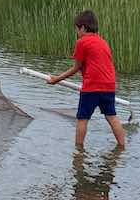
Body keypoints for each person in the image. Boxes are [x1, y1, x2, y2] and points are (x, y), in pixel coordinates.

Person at [48, 10, 126, 149]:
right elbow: (98, 64)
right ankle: (122, 147)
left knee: (82, 119)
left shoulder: (82, 42)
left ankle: (78, 150)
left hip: (92, 86)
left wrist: (56, 79)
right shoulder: (103, 42)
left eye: (77, 29)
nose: (77, 32)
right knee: (112, 117)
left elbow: (76, 67)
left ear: (83, 27)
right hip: (109, 85)